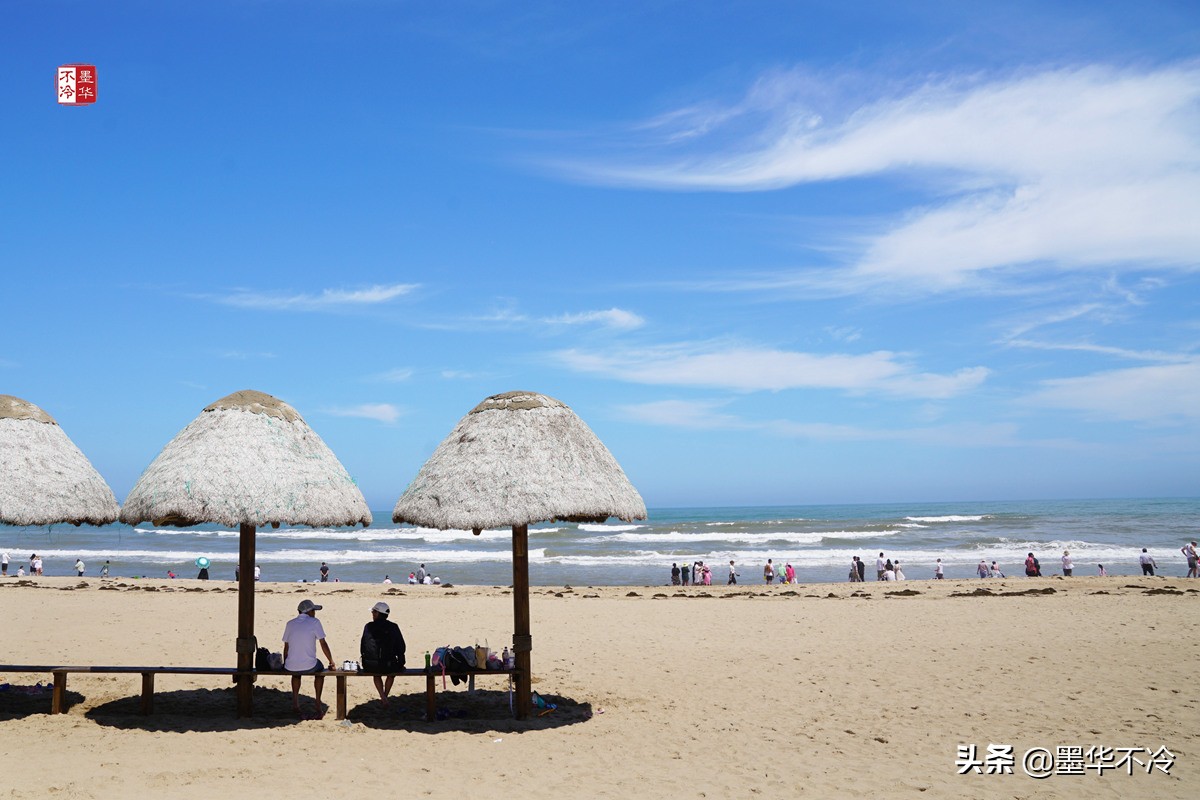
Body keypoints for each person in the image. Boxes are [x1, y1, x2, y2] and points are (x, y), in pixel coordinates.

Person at [282, 599, 334, 719]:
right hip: (309, 665)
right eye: (313, 610)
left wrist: (286, 662)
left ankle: (295, 702)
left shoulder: (290, 623)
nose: (315, 613)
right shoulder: (315, 622)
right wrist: (331, 661)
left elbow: (286, 646)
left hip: (291, 665)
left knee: (296, 674)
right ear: (309, 611)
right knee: (319, 672)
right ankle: (317, 702)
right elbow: (323, 643)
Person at [360, 601, 406, 708]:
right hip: (389, 665)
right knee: (391, 674)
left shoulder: (368, 626)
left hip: (369, 665)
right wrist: (401, 661)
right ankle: (385, 696)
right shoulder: (393, 627)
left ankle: (382, 696)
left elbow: (362, 645)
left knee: (376, 674)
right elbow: (401, 646)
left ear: (377, 614)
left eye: (373, 612)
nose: (372, 614)